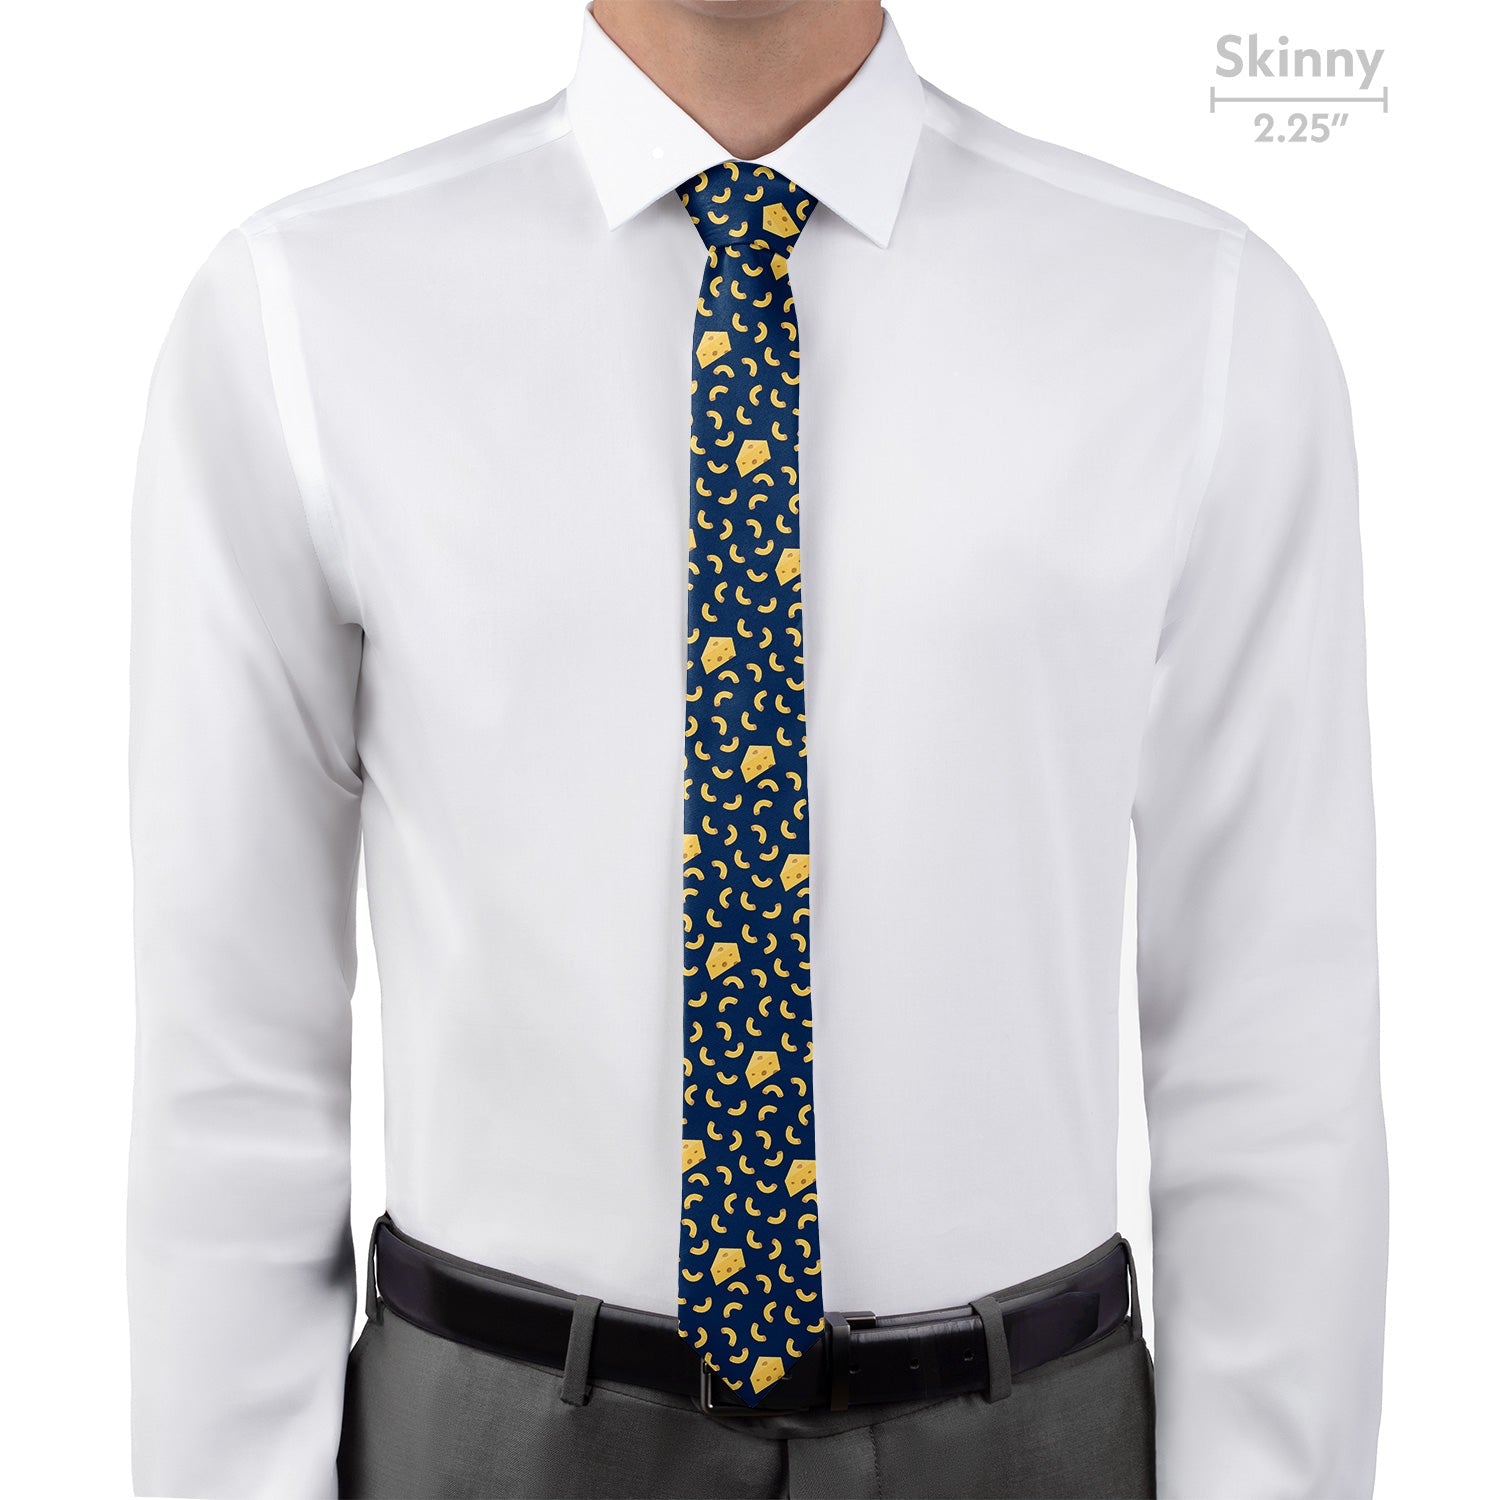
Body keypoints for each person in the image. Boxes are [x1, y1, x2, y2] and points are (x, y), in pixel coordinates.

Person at [125, 2, 1389, 1496]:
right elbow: (233, 1057)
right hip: (488, 1436)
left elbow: (1271, 1046)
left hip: (1024, 1436)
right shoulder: (299, 317)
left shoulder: (1198, 319)